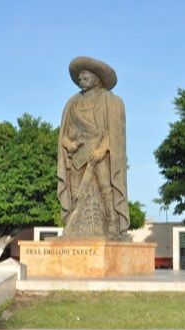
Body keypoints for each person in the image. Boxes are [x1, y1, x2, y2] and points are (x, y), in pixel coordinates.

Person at [57, 56, 129, 239]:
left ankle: (112, 224)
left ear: (96, 78)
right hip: (78, 155)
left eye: (85, 76)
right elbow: (63, 136)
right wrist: (69, 145)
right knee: (75, 193)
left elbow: (115, 131)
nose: (81, 79)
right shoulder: (72, 104)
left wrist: (104, 148)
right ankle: (74, 226)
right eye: (79, 77)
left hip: (99, 151)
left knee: (106, 187)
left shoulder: (110, 100)